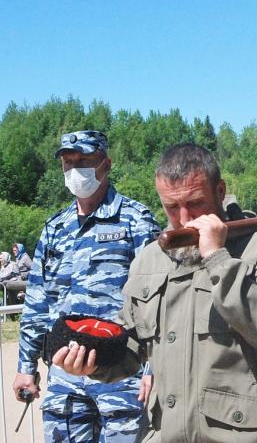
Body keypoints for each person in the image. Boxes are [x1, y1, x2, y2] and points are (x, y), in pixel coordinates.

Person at [54, 142, 257, 443]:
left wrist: (218, 259)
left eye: (195, 203)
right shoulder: (149, 259)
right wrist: (94, 361)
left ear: (220, 192)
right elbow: (131, 352)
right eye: (171, 207)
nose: (184, 218)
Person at [12, 130, 161, 442]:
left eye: (84, 160)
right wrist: (26, 366)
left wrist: (154, 370)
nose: (75, 168)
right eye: (68, 162)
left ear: (105, 164)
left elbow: (159, 301)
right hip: (65, 376)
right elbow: (38, 303)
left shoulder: (136, 220)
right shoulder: (54, 229)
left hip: (122, 374)